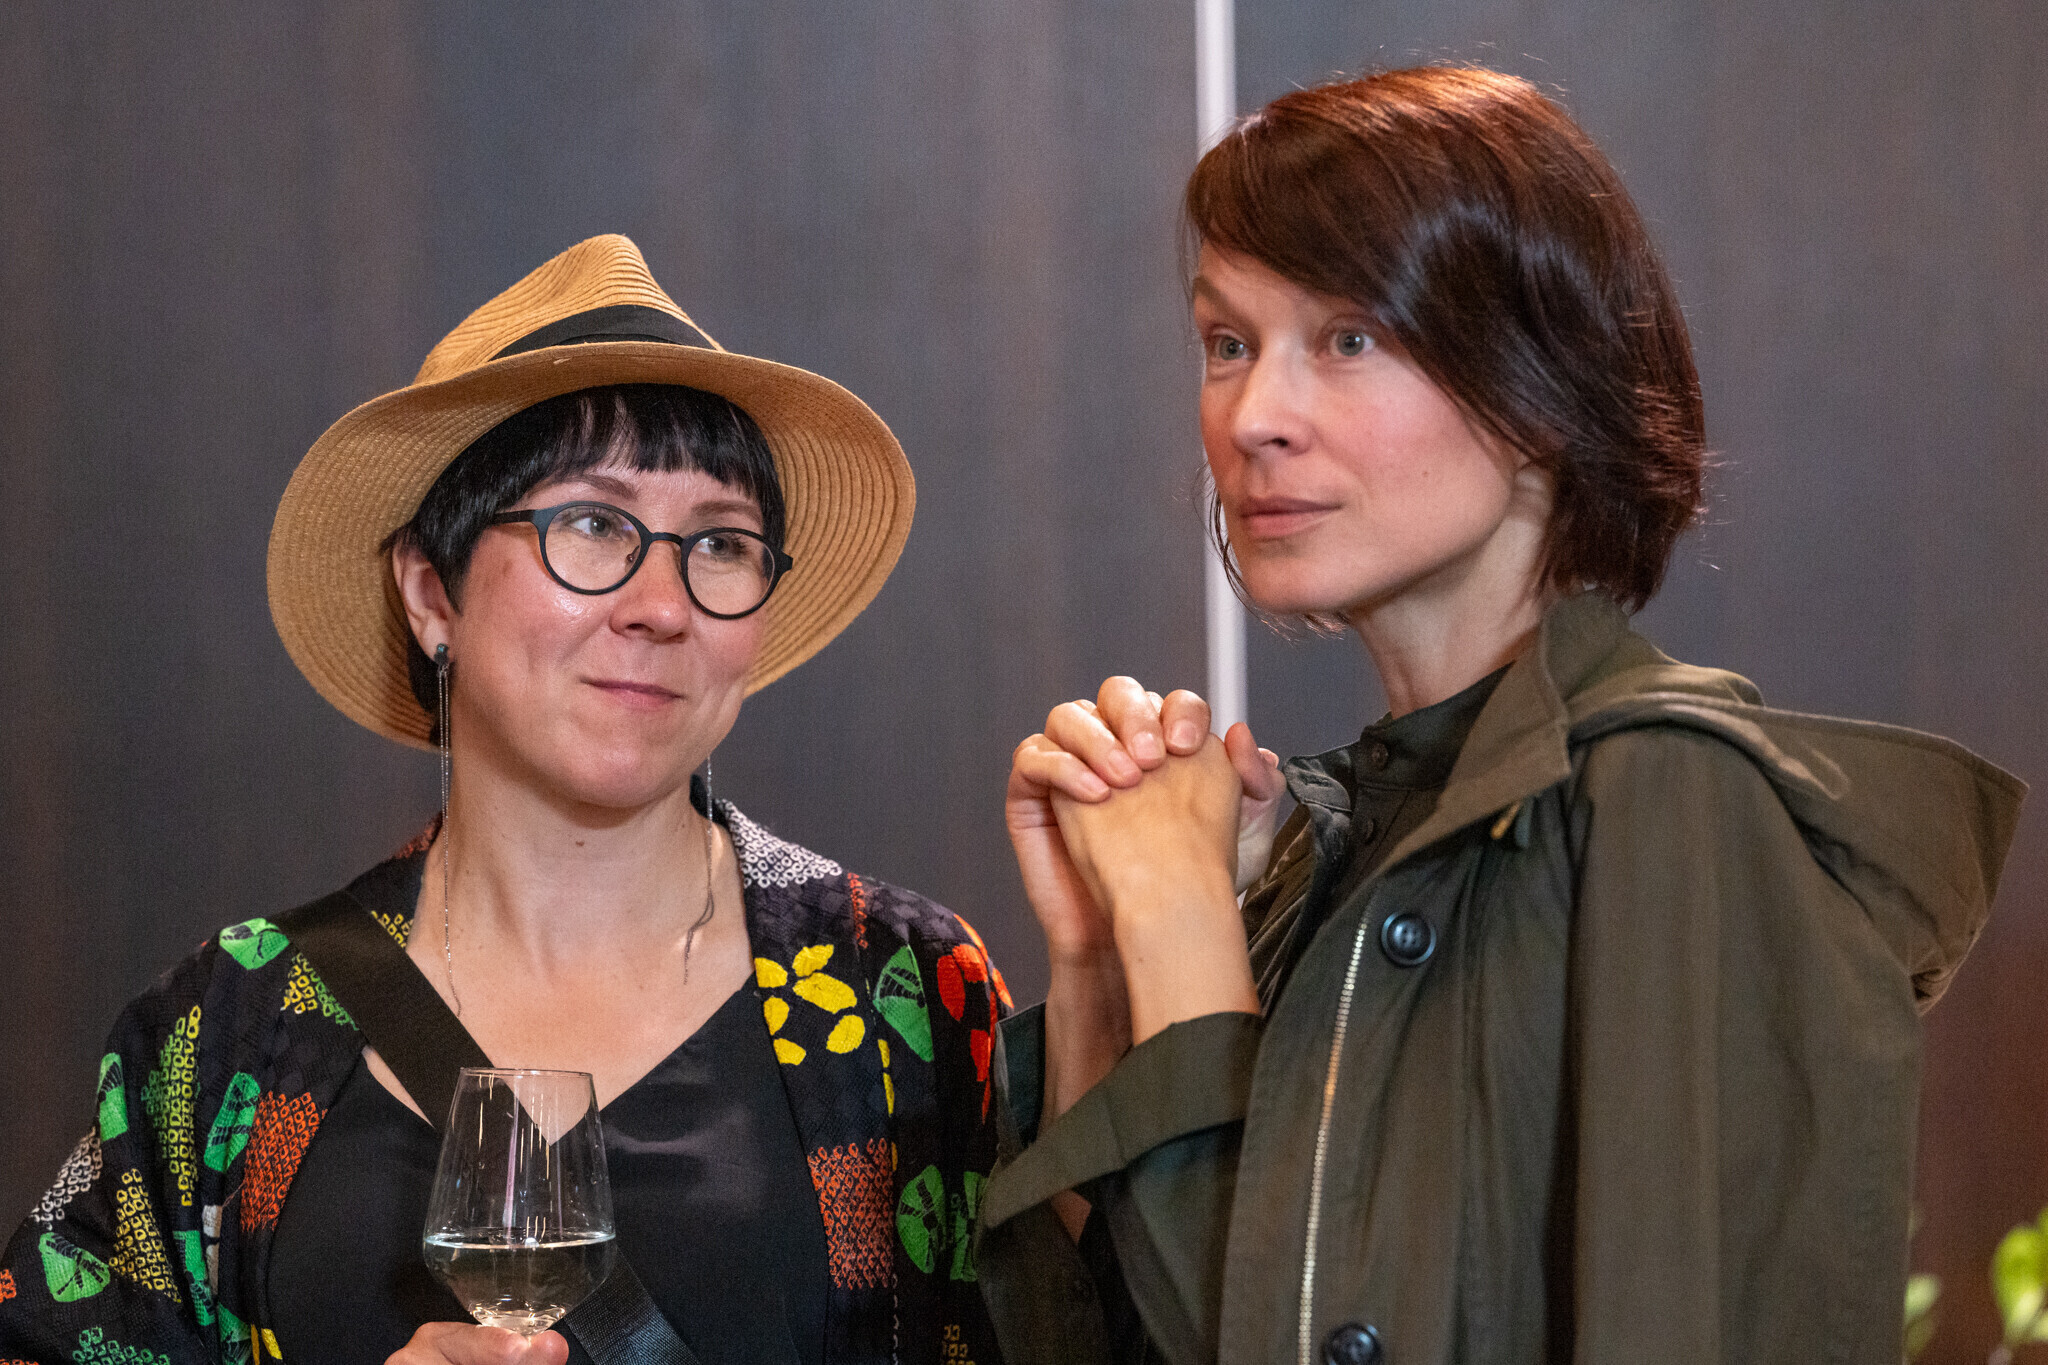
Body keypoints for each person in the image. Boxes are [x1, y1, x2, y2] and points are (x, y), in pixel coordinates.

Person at [975, 68, 2026, 1365]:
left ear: (1540, 382)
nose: (1254, 418)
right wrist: (1103, 954)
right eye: (1227, 343)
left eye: (1350, 338)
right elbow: (1108, 1332)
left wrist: (1178, 915)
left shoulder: (1668, 801)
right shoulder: (1319, 857)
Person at [0, 235, 1011, 1365]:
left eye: (721, 544)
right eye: (593, 525)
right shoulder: (231, 1022)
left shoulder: (906, 988)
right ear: (432, 592)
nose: (661, 605)